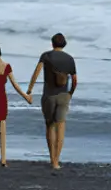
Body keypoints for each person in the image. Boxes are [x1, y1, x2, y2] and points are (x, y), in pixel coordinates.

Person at [26, 33, 77, 170]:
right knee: (61, 126)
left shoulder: (46, 56)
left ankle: (51, 158)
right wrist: (70, 93)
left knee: (50, 126)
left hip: (48, 95)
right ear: (64, 43)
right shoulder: (70, 59)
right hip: (64, 95)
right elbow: (75, 80)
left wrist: (30, 90)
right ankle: (56, 161)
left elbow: (36, 72)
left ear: (52, 43)